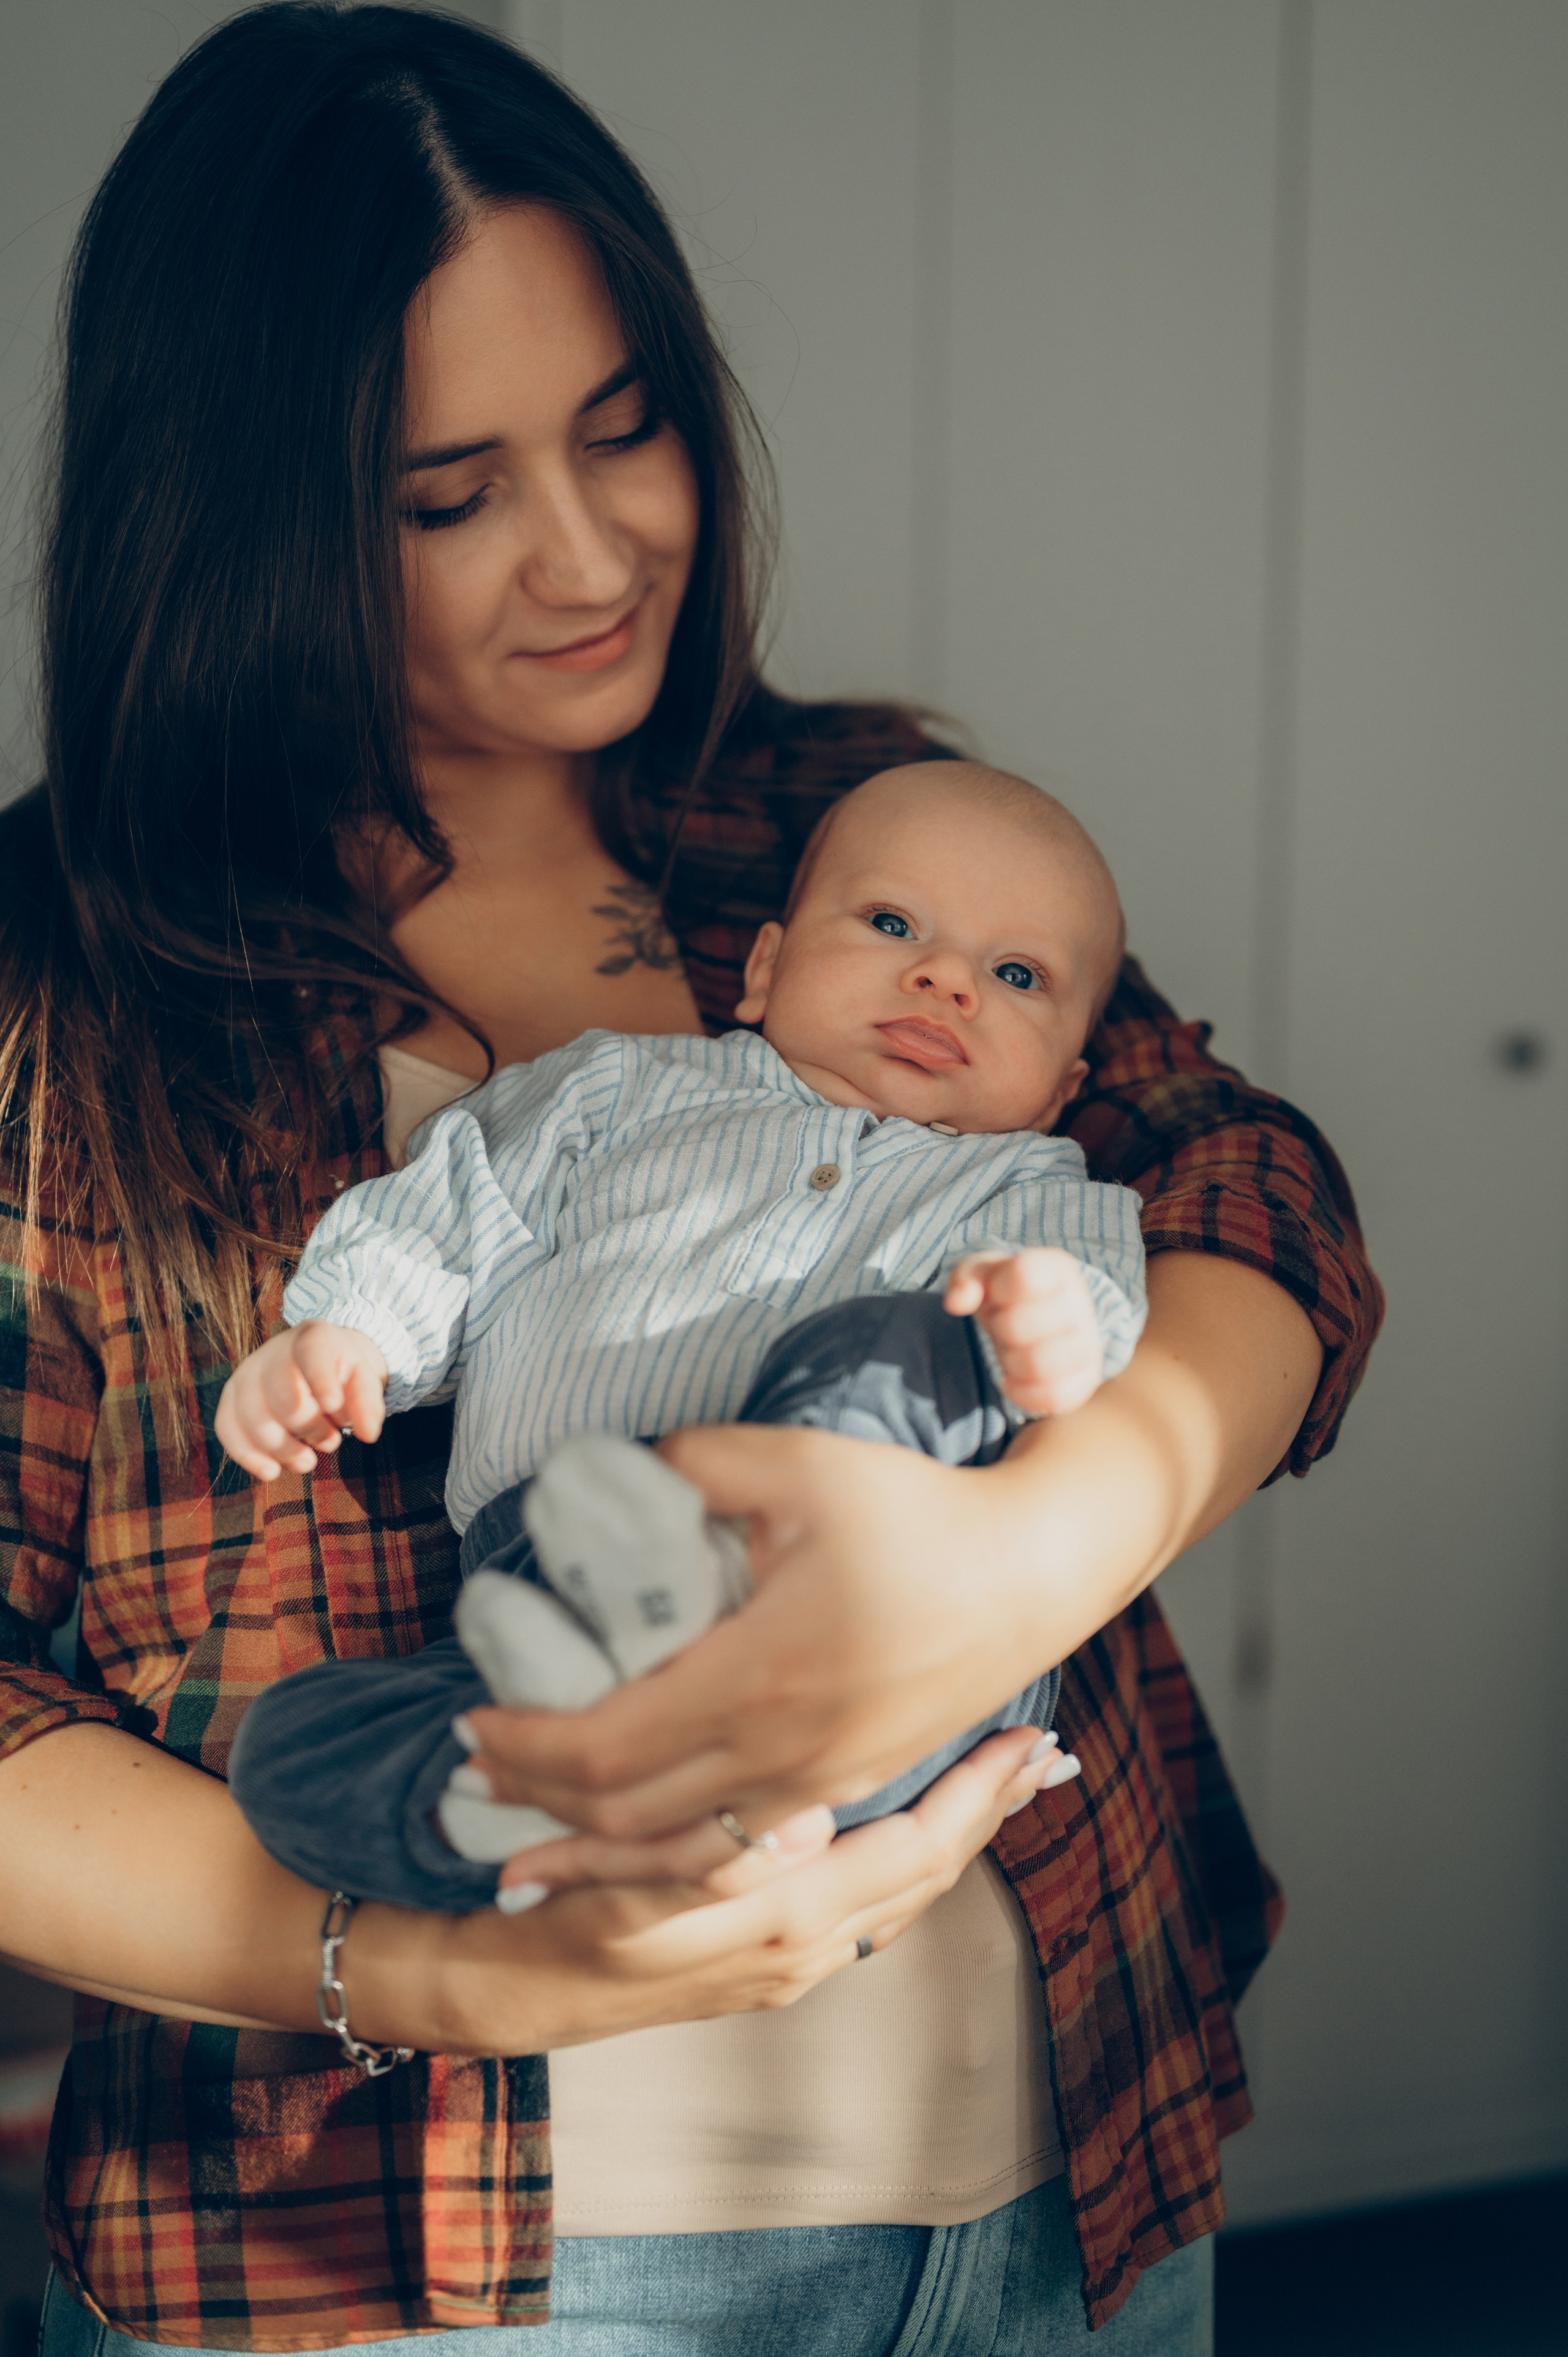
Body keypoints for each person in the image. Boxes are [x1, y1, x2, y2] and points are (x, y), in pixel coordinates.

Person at [0, 8, 1382, 2353]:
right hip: (423, 2278)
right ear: (238, 518)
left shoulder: (848, 828)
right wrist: (437, 1959)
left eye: (623, 424)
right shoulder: (68, 1003)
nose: (592, 551)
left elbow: (1254, 1192)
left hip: (1059, 2187)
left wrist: (1028, 1540)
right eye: (448, 495)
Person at [217, 762, 1147, 1912]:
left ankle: (719, 1724)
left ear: (1063, 1087)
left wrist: (1049, 1317)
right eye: (893, 921)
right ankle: (548, 1797)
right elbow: (458, 1205)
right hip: (555, 1590)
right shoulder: (612, 1091)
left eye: (1016, 975)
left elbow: (1096, 1302)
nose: (945, 978)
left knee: (897, 1343)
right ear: (765, 969)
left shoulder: (1028, 1182)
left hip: (879, 1623)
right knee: (295, 1748)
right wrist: (349, 1328)